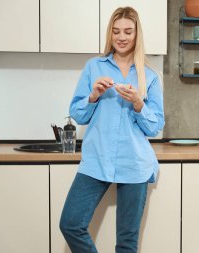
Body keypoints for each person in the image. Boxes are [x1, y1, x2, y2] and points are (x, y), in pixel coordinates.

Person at [59, 6, 165, 253]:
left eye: (128, 31)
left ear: (137, 34)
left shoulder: (149, 76)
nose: (122, 37)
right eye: (116, 31)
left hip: (134, 163)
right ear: (110, 34)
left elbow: (155, 127)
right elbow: (77, 114)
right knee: (71, 224)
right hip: (97, 158)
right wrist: (94, 95)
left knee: (127, 243)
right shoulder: (94, 67)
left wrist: (138, 102)